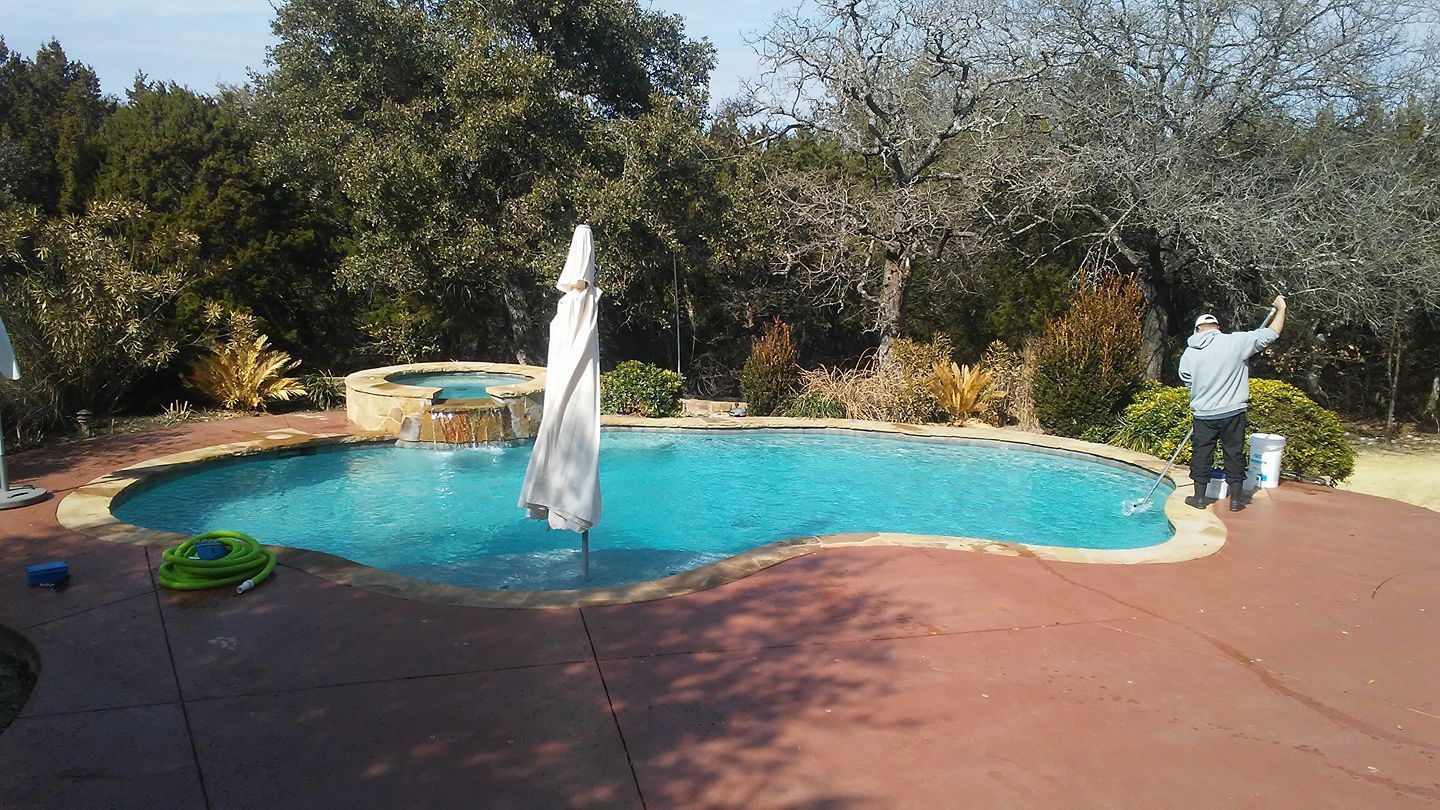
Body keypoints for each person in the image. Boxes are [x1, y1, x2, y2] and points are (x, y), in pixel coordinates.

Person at [1177, 295, 1287, 512]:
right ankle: (1236, 500)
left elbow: (1186, 379)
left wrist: (1201, 393)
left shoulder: (1189, 353)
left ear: (1197, 330)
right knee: (1234, 453)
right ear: (1217, 327)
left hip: (1204, 413)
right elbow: (1272, 333)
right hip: (1233, 412)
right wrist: (1281, 308)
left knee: (1201, 454)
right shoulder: (1236, 341)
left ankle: (1200, 498)